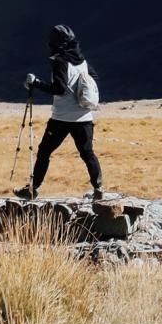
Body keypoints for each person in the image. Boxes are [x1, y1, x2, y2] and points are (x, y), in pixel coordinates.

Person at [17, 23, 103, 201]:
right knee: (87, 153)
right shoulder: (82, 61)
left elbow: (60, 89)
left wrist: (36, 83)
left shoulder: (58, 60)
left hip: (62, 117)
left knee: (44, 152)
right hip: (84, 116)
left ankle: (33, 189)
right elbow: (93, 78)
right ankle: (98, 188)